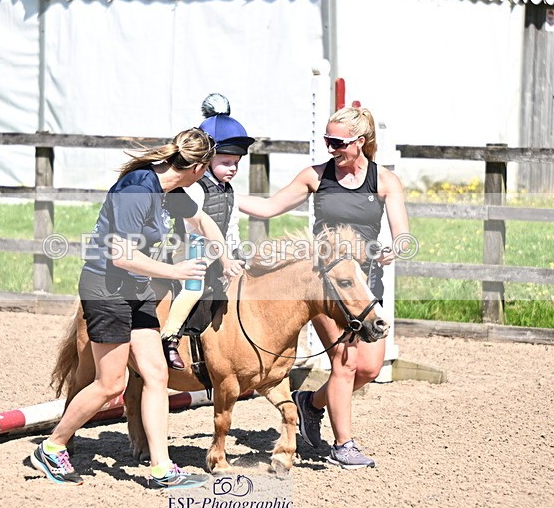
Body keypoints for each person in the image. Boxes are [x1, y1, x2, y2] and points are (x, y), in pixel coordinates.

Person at [30, 127, 243, 487]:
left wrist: (223, 258)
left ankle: (162, 467)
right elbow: (122, 254)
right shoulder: (138, 189)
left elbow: (202, 221)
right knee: (111, 383)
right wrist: (175, 271)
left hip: (136, 289)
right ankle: (52, 446)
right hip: (107, 289)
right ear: (199, 168)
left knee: (156, 374)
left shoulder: (169, 189)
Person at [237, 106, 410, 469]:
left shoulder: (385, 181)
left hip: (363, 284)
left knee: (369, 369)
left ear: (360, 142)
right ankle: (344, 445)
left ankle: (311, 404)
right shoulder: (315, 176)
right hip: (326, 286)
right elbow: (268, 208)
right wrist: (221, 195)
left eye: (337, 142)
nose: (330, 148)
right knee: (345, 363)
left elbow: (403, 235)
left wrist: (396, 248)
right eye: (326, 140)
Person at [160, 93, 253, 370]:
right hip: (189, 248)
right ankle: (171, 337)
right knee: (194, 287)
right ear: (209, 160)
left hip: (217, 249)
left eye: (236, 162)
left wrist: (235, 254)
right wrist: (217, 257)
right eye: (226, 162)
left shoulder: (228, 190)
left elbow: (231, 225)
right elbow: (194, 229)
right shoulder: (195, 188)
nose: (233, 168)